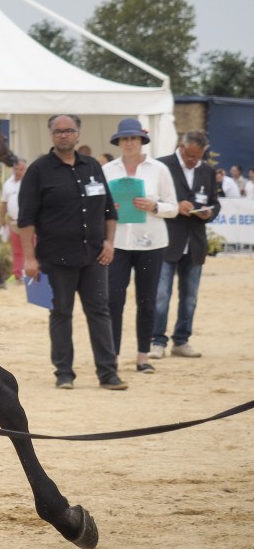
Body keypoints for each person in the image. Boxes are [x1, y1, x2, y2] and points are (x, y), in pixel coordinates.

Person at [18, 114, 124, 390]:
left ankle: (108, 373)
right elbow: (26, 220)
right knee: (61, 313)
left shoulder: (92, 167)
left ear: (78, 134)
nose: (63, 135)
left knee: (100, 312)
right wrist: (30, 258)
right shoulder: (38, 170)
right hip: (56, 257)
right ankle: (64, 373)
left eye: (69, 130)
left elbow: (109, 211)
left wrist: (109, 242)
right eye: (58, 131)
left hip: (94, 255)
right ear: (51, 135)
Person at [101, 119, 178, 375]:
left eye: (133, 138)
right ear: (119, 142)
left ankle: (143, 356)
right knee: (113, 300)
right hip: (118, 243)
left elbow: (174, 207)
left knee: (147, 300)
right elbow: (100, 205)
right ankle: (111, 356)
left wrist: (155, 207)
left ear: (142, 141)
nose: (129, 143)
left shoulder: (159, 169)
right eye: (124, 139)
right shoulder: (108, 170)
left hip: (151, 242)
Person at [150, 130, 219, 360]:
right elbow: (152, 200)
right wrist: (174, 206)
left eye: (198, 157)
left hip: (195, 242)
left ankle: (181, 340)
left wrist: (208, 213)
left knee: (190, 297)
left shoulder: (207, 171)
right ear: (182, 146)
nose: (193, 161)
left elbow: (215, 203)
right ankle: (157, 340)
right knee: (161, 295)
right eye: (190, 155)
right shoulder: (161, 166)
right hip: (167, 240)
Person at [0, 158, 27, 281]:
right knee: (16, 250)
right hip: (13, 221)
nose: (18, 171)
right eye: (16, 168)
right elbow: (4, 203)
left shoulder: (29, 183)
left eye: (21, 169)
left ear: (26, 170)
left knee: (30, 248)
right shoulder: (7, 184)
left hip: (27, 223)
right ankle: (18, 275)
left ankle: (29, 274)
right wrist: (2, 219)